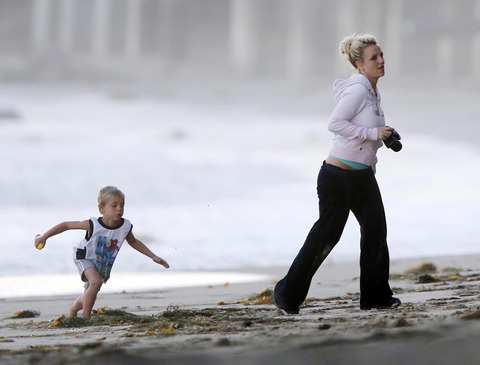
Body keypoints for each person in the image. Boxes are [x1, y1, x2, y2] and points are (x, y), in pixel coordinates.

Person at [273, 34, 400, 314]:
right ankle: (285, 294)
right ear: (359, 64)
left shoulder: (372, 90)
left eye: (381, 55)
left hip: (362, 176)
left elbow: (363, 133)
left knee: (376, 232)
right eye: (373, 58)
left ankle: (375, 297)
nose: (381, 61)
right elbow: (335, 123)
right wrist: (372, 132)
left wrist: (380, 136)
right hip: (337, 177)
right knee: (326, 236)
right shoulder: (357, 90)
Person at [34, 186, 170, 319]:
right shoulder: (93, 224)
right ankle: (86, 318)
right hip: (84, 256)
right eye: (114, 205)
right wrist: (44, 237)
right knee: (96, 282)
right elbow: (67, 225)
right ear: (101, 208)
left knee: (90, 293)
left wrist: (153, 256)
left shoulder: (125, 226)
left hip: (102, 263)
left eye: (122, 205)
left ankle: (74, 307)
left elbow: (134, 242)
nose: (119, 209)